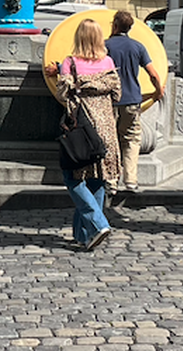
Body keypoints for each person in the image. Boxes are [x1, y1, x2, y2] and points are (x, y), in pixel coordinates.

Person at [48, 19, 121, 249]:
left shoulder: (70, 63)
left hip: (82, 127)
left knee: (72, 177)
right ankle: (84, 235)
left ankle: (98, 223)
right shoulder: (108, 62)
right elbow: (117, 94)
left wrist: (71, 82)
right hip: (106, 127)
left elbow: (62, 94)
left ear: (78, 38)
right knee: (97, 179)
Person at [105, 10, 164, 192]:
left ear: (114, 25)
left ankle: (111, 181)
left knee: (110, 140)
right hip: (132, 100)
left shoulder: (105, 46)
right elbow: (153, 74)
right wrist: (158, 90)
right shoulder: (138, 47)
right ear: (130, 27)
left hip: (109, 100)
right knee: (131, 139)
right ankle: (131, 181)